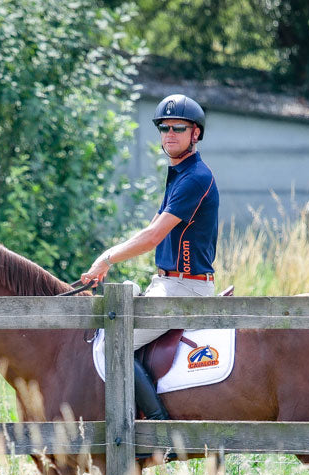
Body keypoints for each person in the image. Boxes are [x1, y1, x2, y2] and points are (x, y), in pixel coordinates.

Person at [80, 93, 220, 420]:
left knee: (115, 342)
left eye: (178, 128)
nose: (169, 134)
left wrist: (107, 259)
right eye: (164, 127)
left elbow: (153, 236)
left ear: (195, 133)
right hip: (167, 284)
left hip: (185, 290)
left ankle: (158, 426)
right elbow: (150, 229)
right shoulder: (180, 174)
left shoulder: (195, 178)